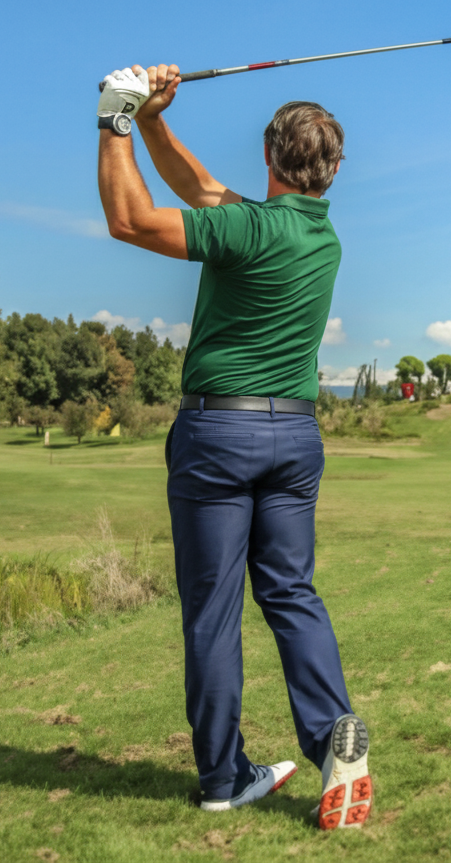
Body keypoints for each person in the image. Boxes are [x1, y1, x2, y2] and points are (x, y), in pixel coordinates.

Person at [96, 62, 372, 831]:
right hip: (296, 437)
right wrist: (153, 121)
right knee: (290, 592)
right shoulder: (318, 236)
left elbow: (131, 219)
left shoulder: (246, 229)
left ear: (268, 155)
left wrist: (112, 119)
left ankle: (222, 777)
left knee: (213, 611)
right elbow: (202, 190)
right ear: (334, 169)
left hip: (219, 435)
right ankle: (331, 739)